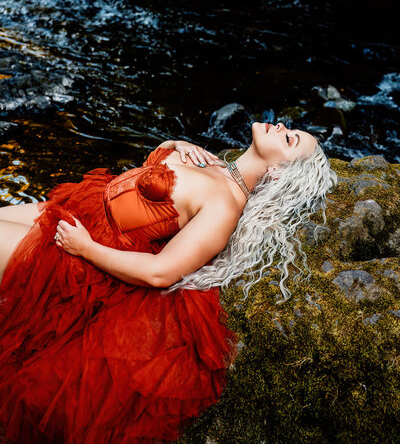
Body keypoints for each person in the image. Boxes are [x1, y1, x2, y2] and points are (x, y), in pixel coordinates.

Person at [0, 121, 337, 444]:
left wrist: (86, 249)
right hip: (81, 208)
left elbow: (160, 272)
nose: (280, 127)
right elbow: (151, 175)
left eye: (289, 138)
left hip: (77, 255)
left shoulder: (224, 207)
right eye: (289, 129)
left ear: (279, 172)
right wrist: (175, 145)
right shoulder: (216, 165)